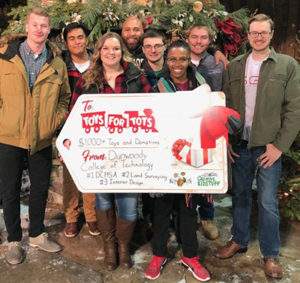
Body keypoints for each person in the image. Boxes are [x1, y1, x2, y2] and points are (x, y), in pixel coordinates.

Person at [214, 14, 300, 279]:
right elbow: (226, 107)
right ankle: (238, 239)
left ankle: (270, 252)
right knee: (239, 194)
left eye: (264, 32)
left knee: (266, 200)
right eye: (254, 32)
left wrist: (279, 146)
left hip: (268, 146)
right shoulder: (237, 65)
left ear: (272, 34)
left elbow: (294, 108)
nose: (259, 37)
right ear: (248, 35)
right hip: (240, 143)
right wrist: (226, 139)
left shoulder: (286, 65)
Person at [70, 32, 151, 270]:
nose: (110, 53)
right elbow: (74, 115)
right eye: (106, 49)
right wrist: (69, 141)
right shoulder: (88, 80)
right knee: (103, 200)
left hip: (131, 152)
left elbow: (153, 109)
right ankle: (109, 247)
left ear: (122, 51)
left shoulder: (137, 77)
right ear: (99, 51)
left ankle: (123, 246)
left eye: (115, 49)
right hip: (99, 153)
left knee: (127, 202)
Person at [0, 7, 70, 265]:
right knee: (10, 190)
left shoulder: (57, 64)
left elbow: (64, 98)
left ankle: (38, 234)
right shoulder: (5, 59)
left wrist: (55, 120)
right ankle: (14, 240)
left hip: (41, 138)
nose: (39, 30)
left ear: (49, 30)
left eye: (44, 26)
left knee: (40, 188)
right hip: (9, 138)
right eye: (35, 25)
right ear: (27, 27)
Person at [145, 40, 211, 282]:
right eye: (172, 59)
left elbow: (209, 118)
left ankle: (190, 256)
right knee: (161, 210)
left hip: (191, 156)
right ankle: (159, 253)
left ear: (189, 59)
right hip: (165, 156)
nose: (177, 64)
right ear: (166, 60)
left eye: (182, 59)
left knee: (187, 210)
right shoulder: (158, 86)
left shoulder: (201, 85)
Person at [186, 24, 226, 240]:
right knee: (185, 169)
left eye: (203, 38)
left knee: (207, 173)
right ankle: (187, 216)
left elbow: (224, 94)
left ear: (210, 41)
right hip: (185, 126)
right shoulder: (177, 60)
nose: (198, 41)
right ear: (187, 38)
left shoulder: (217, 64)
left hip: (210, 127)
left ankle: (207, 217)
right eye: (194, 37)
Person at [61, 22, 100, 238]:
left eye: (80, 37)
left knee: (91, 166)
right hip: (69, 124)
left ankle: (92, 215)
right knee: (70, 172)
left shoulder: (98, 61)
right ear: (66, 42)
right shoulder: (62, 64)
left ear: (87, 39)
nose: (77, 41)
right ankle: (71, 217)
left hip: (93, 123)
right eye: (72, 38)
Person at [121, 16, 229, 68]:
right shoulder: (115, 51)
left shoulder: (155, 49)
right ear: (121, 32)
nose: (132, 34)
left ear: (142, 32)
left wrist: (214, 51)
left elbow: (189, 46)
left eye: (136, 30)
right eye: (127, 30)